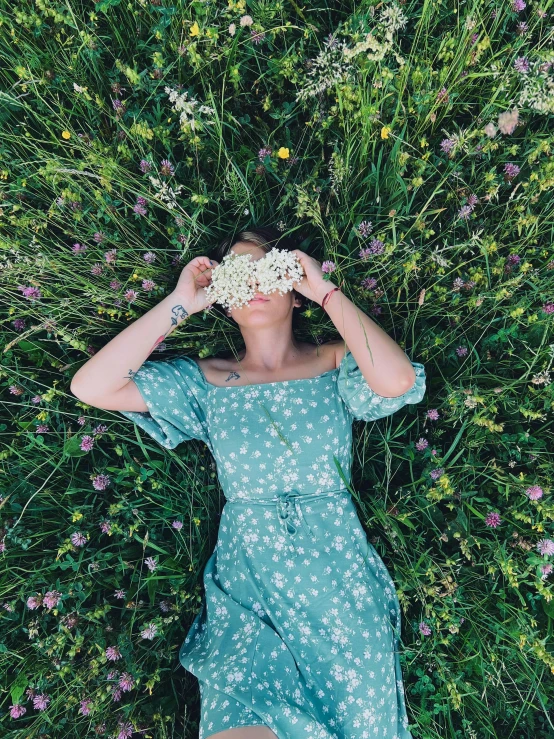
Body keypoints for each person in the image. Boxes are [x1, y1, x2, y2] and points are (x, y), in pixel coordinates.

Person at [70, 226, 427, 739]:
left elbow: (395, 381)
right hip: (249, 583)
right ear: (222, 296)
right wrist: (181, 303)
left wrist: (324, 291)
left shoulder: (333, 361)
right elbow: (93, 385)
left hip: (337, 584)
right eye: (236, 272)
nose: (254, 283)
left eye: (266, 268)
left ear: (290, 281)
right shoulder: (206, 380)